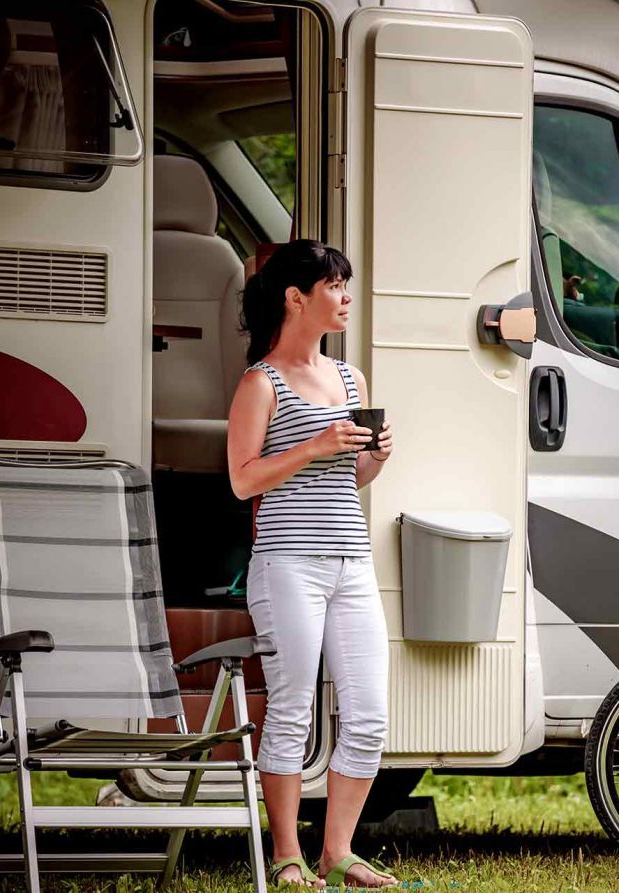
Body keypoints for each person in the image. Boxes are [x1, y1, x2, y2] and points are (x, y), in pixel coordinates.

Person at [228, 240, 396, 889]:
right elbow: (244, 481)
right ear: (297, 297)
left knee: (369, 712)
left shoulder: (351, 379)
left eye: (347, 285)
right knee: (293, 705)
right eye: (336, 285)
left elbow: (349, 477)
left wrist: (376, 456)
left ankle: (339, 852)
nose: (346, 297)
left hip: (351, 560)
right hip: (286, 563)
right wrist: (316, 441)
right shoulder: (259, 381)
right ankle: (287, 856)